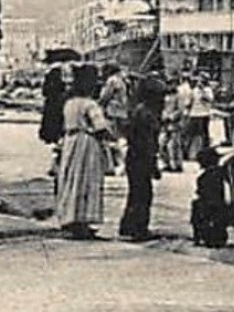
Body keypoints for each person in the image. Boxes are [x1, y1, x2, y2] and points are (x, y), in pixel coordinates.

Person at [56, 63, 112, 239]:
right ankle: (83, 220)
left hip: (70, 142)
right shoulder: (90, 104)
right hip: (87, 143)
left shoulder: (69, 103)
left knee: (71, 179)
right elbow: (100, 127)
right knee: (87, 180)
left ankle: (70, 219)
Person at [119, 76, 165, 241]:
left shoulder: (139, 110)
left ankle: (129, 225)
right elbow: (149, 143)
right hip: (142, 157)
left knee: (136, 192)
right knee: (143, 193)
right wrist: (154, 165)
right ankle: (139, 228)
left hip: (134, 156)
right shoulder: (148, 115)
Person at [190, 145, 229, 248]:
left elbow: (199, 192)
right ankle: (217, 236)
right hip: (219, 205)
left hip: (207, 206)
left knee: (196, 205)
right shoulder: (221, 172)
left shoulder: (202, 177)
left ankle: (199, 237)